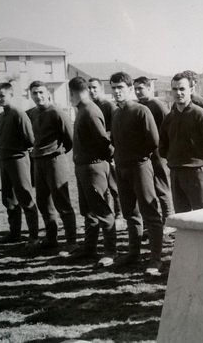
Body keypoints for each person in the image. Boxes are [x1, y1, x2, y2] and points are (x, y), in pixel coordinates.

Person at [110, 71, 166, 276]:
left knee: (149, 211)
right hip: (121, 167)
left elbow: (154, 141)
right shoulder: (116, 113)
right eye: (113, 88)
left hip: (140, 166)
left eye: (120, 88)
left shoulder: (141, 111)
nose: (116, 92)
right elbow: (116, 141)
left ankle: (155, 258)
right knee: (129, 212)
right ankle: (133, 253)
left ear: (129, 89)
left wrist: (138, 157)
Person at [67, 77, 117, 267]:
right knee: (88, 211)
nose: (70, 98)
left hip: (94, 167)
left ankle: (110, 251)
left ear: (74, 93)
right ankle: (89, 248)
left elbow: (103, 142)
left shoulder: (90, 111)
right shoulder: (82, 110)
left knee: (102, 210)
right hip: (83, 167)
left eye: (70, 95)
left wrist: (105, 161)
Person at [29, 81, 78, 255]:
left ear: (48, 93)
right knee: (43, 201)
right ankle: (51, 238)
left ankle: (72, 241)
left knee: (61, 201)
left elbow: (70, 139)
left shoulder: (57, 112)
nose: (38, 96)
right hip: (38, 161)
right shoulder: (33, 113)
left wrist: (57, 152)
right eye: (34, 93)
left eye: (41, 92)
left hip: (55, 161)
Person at [160, 72, 203, 212]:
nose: (178, 93)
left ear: (191, 90)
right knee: (183, 218)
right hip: (176, 172)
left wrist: (196, 161)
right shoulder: (169, 118)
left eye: (182, 89)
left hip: (197, 173)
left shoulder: (200, 114)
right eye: (175, 89)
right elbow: (163, 147)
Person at [0, 83, 40, 246]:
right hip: (4, 161)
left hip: (18, 160)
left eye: (3, 95)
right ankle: (15, 233)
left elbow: (30, 140)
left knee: (25, 197)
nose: (0, 99)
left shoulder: (18, 113)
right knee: (9, 199)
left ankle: (34, 236)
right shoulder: (0, 116)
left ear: (11, 95)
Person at [134, 76, 173, 219]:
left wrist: (165, 150)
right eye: (136, 89)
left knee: (161, 186)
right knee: (147, 189)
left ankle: (168, 220)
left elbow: (169, 127)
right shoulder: (138, 106)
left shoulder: (157, 105)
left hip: (158, 152)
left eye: (141, 88)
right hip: (143, 153)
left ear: (149, 88)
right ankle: (152, 220)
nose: (138, 92)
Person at [88, 78, 121, 218]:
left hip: (109, 151)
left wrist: (112, 149)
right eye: (89, 88)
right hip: (97, 154)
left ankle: (119, 213)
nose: (91, 90)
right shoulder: (90, 106)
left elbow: (116, 130)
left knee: (114, 185)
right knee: (102, 186)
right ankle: (107, 214)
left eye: (94, 87)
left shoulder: (109, 106)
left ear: (101, 89)